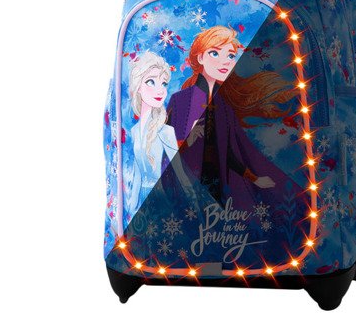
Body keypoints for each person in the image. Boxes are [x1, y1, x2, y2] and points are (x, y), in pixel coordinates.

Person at [166, 25, 302, 211]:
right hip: (189, 190)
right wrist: (188, 141)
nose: (225, 62)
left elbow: (229, 152)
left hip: (220, 188)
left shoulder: (223, 105)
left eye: (230, 56)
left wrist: (254, 179)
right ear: (200, 58)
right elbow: (167, 152)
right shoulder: (182, 101)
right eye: (215, 53)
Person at [125, 51, 193, 219]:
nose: (160, 90)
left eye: (163, 84)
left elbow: (180, 173)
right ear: (138, 87)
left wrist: (194, 204)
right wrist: (131, 209)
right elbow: (138, 174)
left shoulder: (166, 131)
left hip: (162, 201)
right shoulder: (134, 131)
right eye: (151, 82)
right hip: (141, 203)